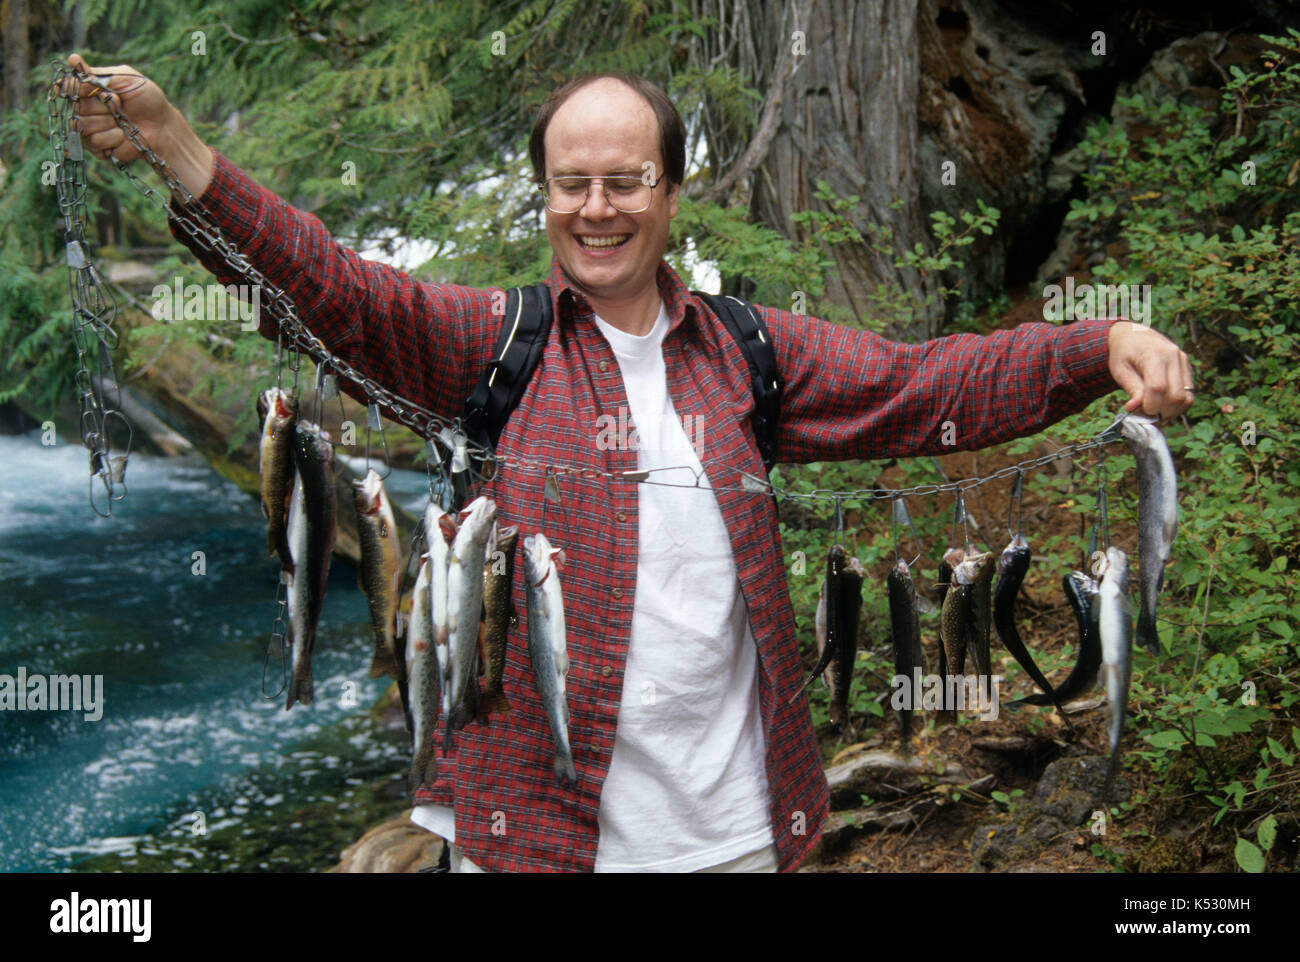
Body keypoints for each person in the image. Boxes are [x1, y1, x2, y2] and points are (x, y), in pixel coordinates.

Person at [67, 53, 1194, 873]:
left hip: (738, 833)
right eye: (571, 183)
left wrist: (1094, 346)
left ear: (668, 190)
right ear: (545, 193)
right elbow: (329, 287)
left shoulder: (749, 354)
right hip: (528, 838)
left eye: (625, 180)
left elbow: (925, 385)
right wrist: (177, 148)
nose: (595, 208)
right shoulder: (486, 348)